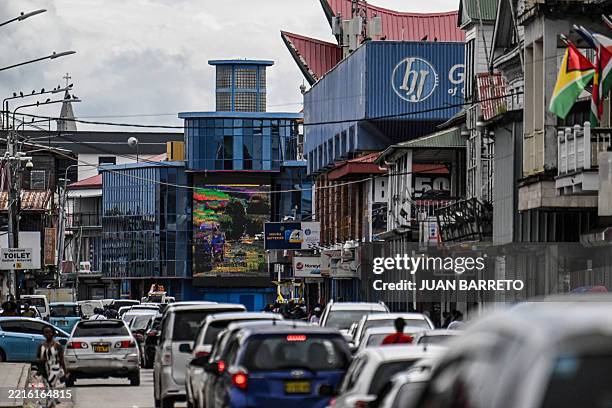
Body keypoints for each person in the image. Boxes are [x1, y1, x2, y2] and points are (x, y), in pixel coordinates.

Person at [37, 326, 67, 407]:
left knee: (53, 390)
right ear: (43, 334)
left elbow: (62, 359)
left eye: (49, 332)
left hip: (55, 371)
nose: (48, 334)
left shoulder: (57, 345)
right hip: (45, 371)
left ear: (53, 333)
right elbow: (37, 358)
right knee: (48, 389)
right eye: (46, 332)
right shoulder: (41, 346)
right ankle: (50, 404)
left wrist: (65, 372)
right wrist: (41, 360)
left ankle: (51, 404)